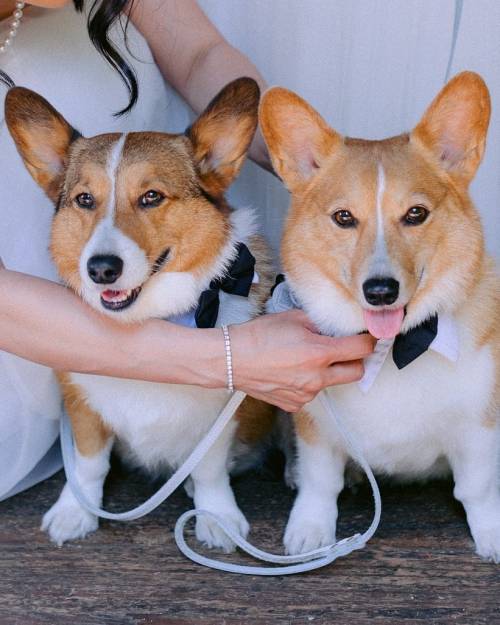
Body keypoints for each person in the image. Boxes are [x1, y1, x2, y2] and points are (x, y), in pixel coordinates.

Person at [0, 0, 374, 500]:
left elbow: (201, 55)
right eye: (85, 198)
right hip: (25, 347)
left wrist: (317, 166)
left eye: (150, 198)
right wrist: (227, 357)